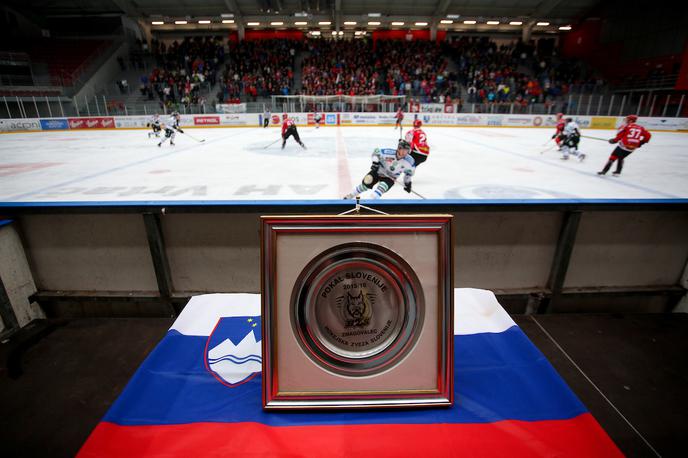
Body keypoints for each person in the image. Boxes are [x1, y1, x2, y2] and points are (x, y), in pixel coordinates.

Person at [344, 139, 415, 200]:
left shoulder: (410, 162)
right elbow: (376, 152)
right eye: (403, 150)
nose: (404, 153)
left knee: (379, 190)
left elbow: (409, 173)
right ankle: (350, 195)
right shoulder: (388, 152)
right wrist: (375, 163)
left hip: (390, 178)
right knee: (366, 183)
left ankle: (372, 203)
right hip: (378, 171)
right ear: (398, 148)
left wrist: (407, 183)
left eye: (406, 151)